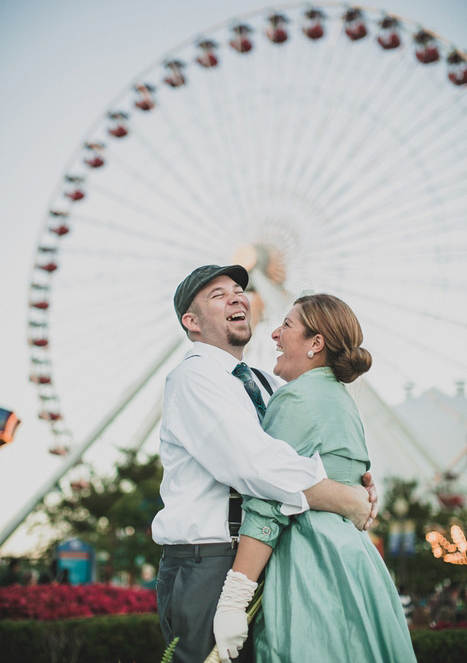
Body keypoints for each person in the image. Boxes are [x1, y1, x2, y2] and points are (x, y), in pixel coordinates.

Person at [152, 265, 378, 663]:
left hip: (265, 554)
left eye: (239, 289)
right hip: (207, 560)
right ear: (192, 322)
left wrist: (356, 483)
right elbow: (256, 465)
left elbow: (308, 453)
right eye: (218, 295)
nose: (237, 297)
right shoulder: (193, 378)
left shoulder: (267, 383)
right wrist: (341, 496)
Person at [213, 293, 417, 663]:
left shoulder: (296, 400)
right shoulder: (341, 401)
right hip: (354, 561)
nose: (274, 333)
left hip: (311, 562)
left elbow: (268, 501)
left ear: (316, 343)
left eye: (287, 325)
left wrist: (235, 597)